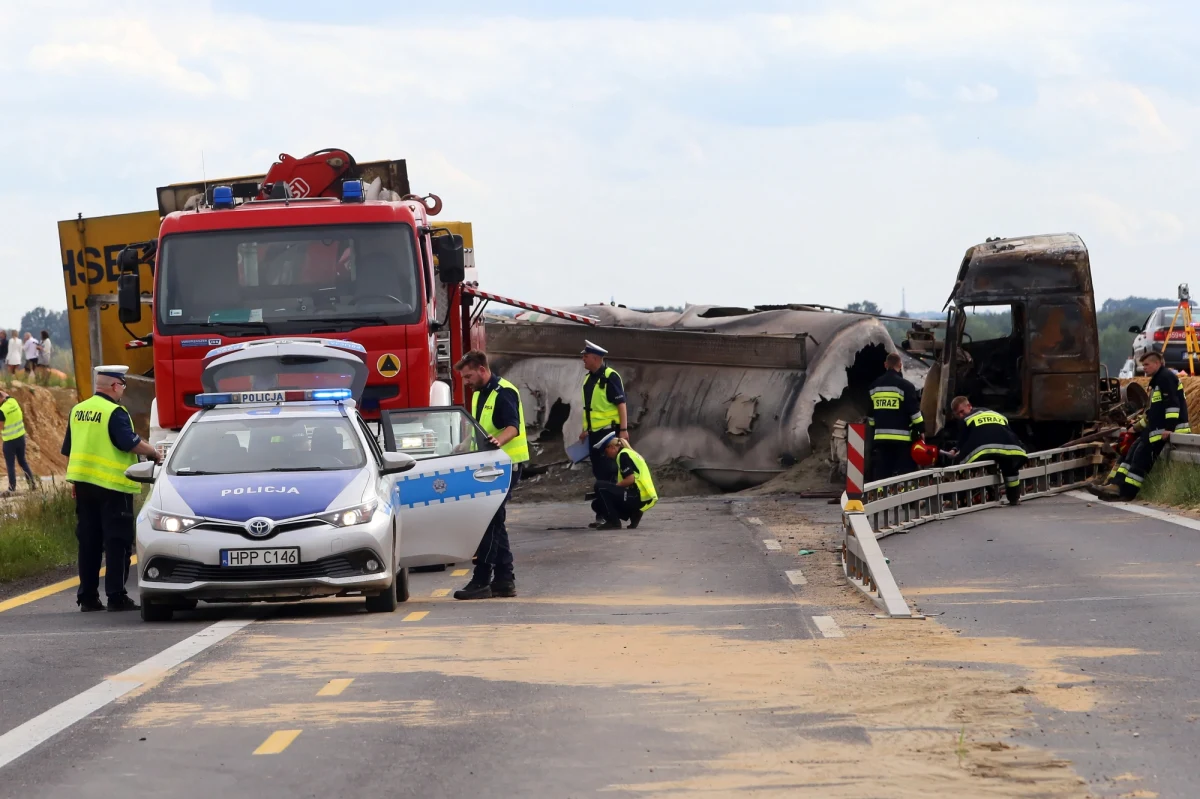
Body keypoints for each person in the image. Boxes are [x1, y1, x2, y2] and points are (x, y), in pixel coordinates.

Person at [62, 366, 161, 612]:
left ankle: (87, 598)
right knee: (117, 542)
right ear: (115, 386)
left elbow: (70, 449)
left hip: (84, 486)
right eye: (123, 386)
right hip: (113, 487)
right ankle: (116, 596)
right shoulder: (114, 412)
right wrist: (154, 452)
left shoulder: (78, 410)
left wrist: (75, 481)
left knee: (89, 542)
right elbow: (130, 443)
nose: (123, 391)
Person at [452, 350, 528, 600]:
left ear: (482, 370)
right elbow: (479, 429)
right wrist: (464, 444)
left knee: (489, 521)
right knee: (494, 521)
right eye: (464, 377)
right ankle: (505, 580)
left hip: (506, 465)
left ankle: (483, 578)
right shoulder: (478, 394)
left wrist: (498, 441)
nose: (466, 381)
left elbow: (513, 427)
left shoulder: (503, 391)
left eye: (469, 376)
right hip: (488, 467)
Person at [1108, 352, 1190, 500]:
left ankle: (1127, 494)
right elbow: (1154, 412)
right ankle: (1115, 486)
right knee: (1132, 450)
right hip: (1155, 429)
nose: (1143, 368)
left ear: (1157, 364)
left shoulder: (1166, 378)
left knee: (1140, 458)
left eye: (1147, 364)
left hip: (1166, 430)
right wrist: (1137, 427)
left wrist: (1170, 429)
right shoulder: (1158, 380)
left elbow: (1173, 406)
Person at [945, 396, 1028, 505]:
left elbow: (963, 440)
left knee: (960, 466)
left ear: (969, 406)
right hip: (1007, 448)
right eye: (957, 414)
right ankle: (1014, 498)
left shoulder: (967, 420)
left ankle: (959, 500)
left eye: (962, 412)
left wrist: (955, 451)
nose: (961, 416)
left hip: (983, 450)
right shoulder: (997, 415)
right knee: (1010, 468)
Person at [577, 340, 628, 490]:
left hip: (609, 433)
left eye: (585, 356)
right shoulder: (588, 378)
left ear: (595, 358)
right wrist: (586, 430)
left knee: (610, 469)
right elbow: (590, 408)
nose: (583, 359)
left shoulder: (610, 376)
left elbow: (621, 404)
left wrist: (623, 430)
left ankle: (611, 503)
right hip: (594, 434)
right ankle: (605, 501)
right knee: (598, 469)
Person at [866, 352, 924, 480]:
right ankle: (904, 498)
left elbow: (870, 416)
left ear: (885, 365)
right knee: (905, 472)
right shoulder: (906, 386)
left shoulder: (873, 386)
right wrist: (921, 429)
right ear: (900, 364)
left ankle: (881, 497)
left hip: (881, 439)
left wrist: (875, 429)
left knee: (882, 472)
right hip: (902, 440)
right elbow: (915, 414)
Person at [589, 433, 657, 530]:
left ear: (612, 447)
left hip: (636, 495)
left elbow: (630, 479)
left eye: (606, 451)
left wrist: (615, 487)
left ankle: (614, 522)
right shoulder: (630, 453)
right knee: (597, 504)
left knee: (600, 486)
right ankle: (634, 513)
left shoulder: (623, 455)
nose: (607, 455)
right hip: (640, 497)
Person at [0, 389, 36, 495]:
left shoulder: (1, 411)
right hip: (20, 438)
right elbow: (5, 394)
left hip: (9, 442)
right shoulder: (13, 401)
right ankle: (32, 484)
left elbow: (1, 427)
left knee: (10, 465)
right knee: (22, 461)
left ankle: (12, 488)